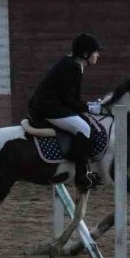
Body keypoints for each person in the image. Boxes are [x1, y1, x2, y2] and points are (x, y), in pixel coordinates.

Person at [28, 33, 104, 191]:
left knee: (83, 121)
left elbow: (72, 98)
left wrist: (88, 105)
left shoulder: (73, 64)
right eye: (95, 52)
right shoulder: (73, 67)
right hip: (49, 109)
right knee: (84, 128)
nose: (98, 55)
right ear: (85, 53)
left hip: (51, 105)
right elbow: (69, 100)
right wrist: (89, 108)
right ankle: (81, 176)